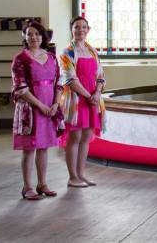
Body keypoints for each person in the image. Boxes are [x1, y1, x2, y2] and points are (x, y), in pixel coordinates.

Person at [11, 21, 63, 200]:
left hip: (50, 106)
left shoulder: (52, 57)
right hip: (30, 109)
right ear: (24, 37)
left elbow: (59, 82)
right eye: (29, 34)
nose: (33, 37)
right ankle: (27, 187)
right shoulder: (20, 59)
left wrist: (55, 105)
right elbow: (20, 88)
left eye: (37, 34)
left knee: (44, 147)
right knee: (29, 148)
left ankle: (42, 184)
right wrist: (41, 106)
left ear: (43, 37)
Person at [58, 16, 106, 188]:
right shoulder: (67, 52)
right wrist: (88, 96)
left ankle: (81, 174)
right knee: (75, 137)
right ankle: (72, 177)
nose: (80, 30)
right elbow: (70, 79)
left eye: (84, 27)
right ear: (71, 29)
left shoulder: (92, 51)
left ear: (88, 29)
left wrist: (97, 93)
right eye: (77, 27)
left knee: (86, 136)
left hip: (93, 99)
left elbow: (100, 75)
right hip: (76, 100)